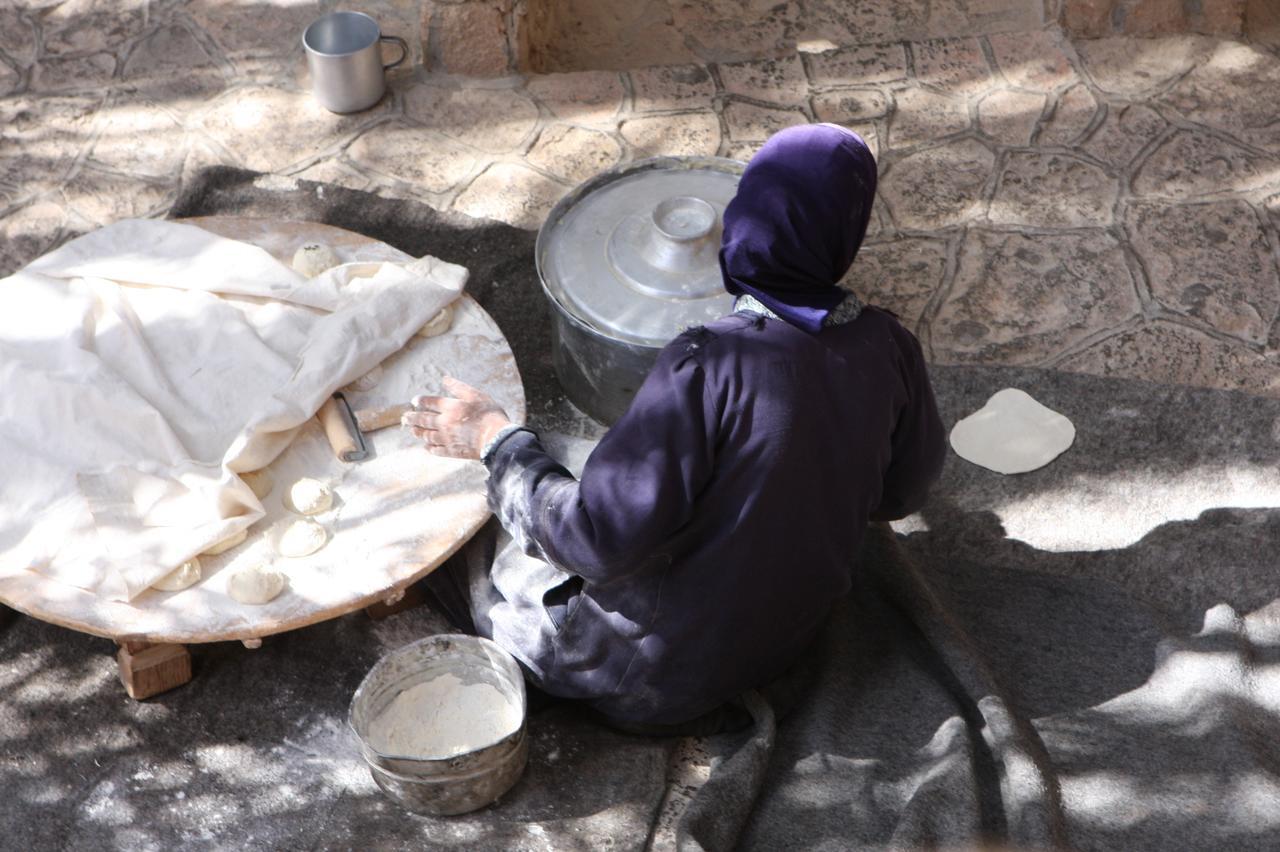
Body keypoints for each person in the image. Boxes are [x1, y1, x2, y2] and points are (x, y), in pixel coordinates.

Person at [402, 124, 946, 731]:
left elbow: (595, 542)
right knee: (573, 464)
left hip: (647, 680)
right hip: (786, 638)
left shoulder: (708, 360)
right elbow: (903, 492)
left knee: (471, 526)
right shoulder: (889, 345)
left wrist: (491, 439)